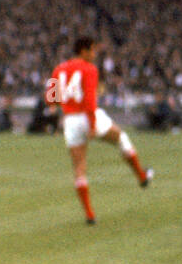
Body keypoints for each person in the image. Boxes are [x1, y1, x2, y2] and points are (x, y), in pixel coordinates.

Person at [47, 37, 152, 225]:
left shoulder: (59, 68)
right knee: (121, 138)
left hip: (70, 121)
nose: (95, 54)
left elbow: (51, 98)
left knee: (79, 168)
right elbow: (89, 100)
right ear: (83, 51)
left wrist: (59, 106)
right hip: (87, 116)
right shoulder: (89, 69)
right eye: (93, 50)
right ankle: (142, 176)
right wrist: (93, 125)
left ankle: (89, 215)